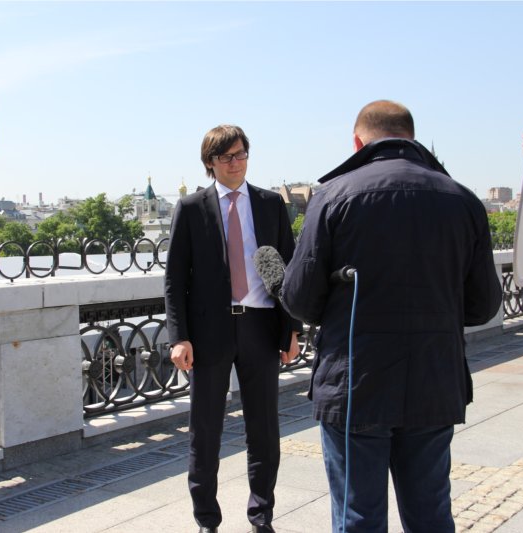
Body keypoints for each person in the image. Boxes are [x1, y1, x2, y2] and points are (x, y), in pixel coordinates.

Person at [281, 100, 502, 532]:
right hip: (434, 381)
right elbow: (483, 305)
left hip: (355, 383)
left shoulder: (333, 196)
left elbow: (301, 300)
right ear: (411, 138)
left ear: (358, 141)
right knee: (431, 516)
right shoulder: (463, 199)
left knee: (359, 518)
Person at [164, 125, 302, 533]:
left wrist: (291, 330)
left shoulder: (270, 204)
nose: (235, 162)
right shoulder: (191, 208)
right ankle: (207, 520)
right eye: (226, 156)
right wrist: (179, 337)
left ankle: (261, 517)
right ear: (210, 163)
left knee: (265, 431)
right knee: (205, 432)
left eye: (241, 154)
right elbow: (175, 279)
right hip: (209, 333)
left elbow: (286, 271)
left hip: (261, 327)